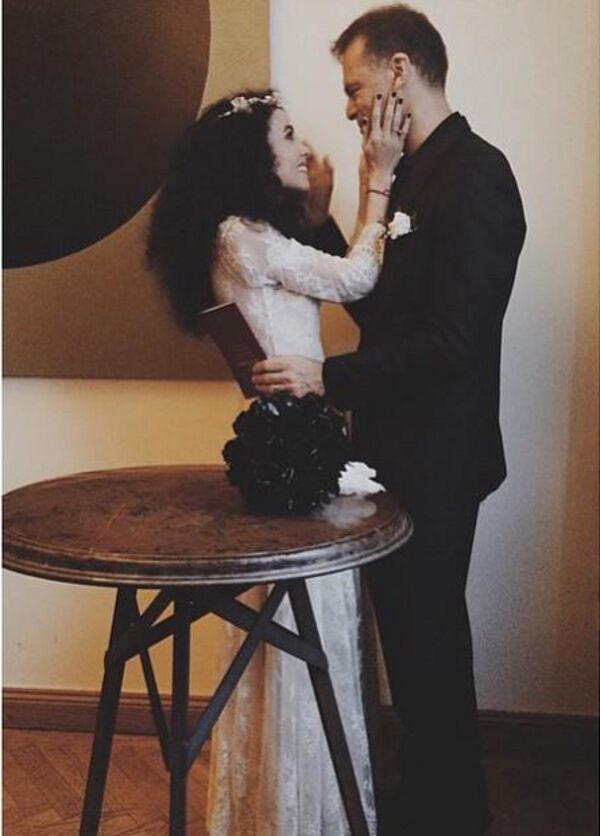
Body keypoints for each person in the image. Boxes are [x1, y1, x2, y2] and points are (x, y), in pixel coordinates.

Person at [252, 5, 527, 836]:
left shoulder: (478, 174)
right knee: (407, 648)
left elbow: (451, 344)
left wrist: (325, 377)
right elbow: (385, 310)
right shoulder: (404, 175)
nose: (347, 107)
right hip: (391, 458)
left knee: (429, 645)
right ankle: (425, 803)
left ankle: (456, 814)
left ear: (400, 71)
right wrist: (324, 217)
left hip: (441, 460)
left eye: (354, 86)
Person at [147, 88, 409, 835]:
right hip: (297, 447)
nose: (304, 147)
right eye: (288, 135)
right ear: (253, 157)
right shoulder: (243, 237)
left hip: (292, 437)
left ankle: (295, 808)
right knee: (306, 624)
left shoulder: (245, 235)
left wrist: (319, 203)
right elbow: (356, 279)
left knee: (298, 623)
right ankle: (304, 816)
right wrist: (379, 179)